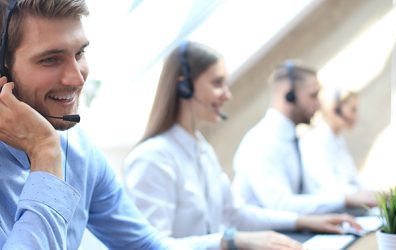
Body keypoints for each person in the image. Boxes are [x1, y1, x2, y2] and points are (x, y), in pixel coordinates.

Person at [123, 42, 362, 250]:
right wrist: (231, 240)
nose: (227, 95)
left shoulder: (202, 150)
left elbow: (236, 213)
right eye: (217, 83)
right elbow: (150, 245)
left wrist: (304, 221)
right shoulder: (152, 158)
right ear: (184, 85)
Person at [0, 0, 178, 249]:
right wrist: (45, 155)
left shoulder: (78, 149)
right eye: (50, 59)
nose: (77, 77)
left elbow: (144, 244)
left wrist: (230, 241)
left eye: (80, 53)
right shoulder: (51, 147)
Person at [232, 60, 377, 215]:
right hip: (258, 235)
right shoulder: (261, 141)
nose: (320, 105)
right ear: (289, 95)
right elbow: (279, 204)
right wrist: (345, 199)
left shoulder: (291, 138)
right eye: (313, 95)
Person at [299, 88, 374, 197]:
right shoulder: (314, 141)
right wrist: (366, 196)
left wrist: (377, 193)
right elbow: (329, 188)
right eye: (353, 110)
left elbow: (353, 177)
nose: (356, 116)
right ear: (335, 110)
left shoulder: (337, 139)